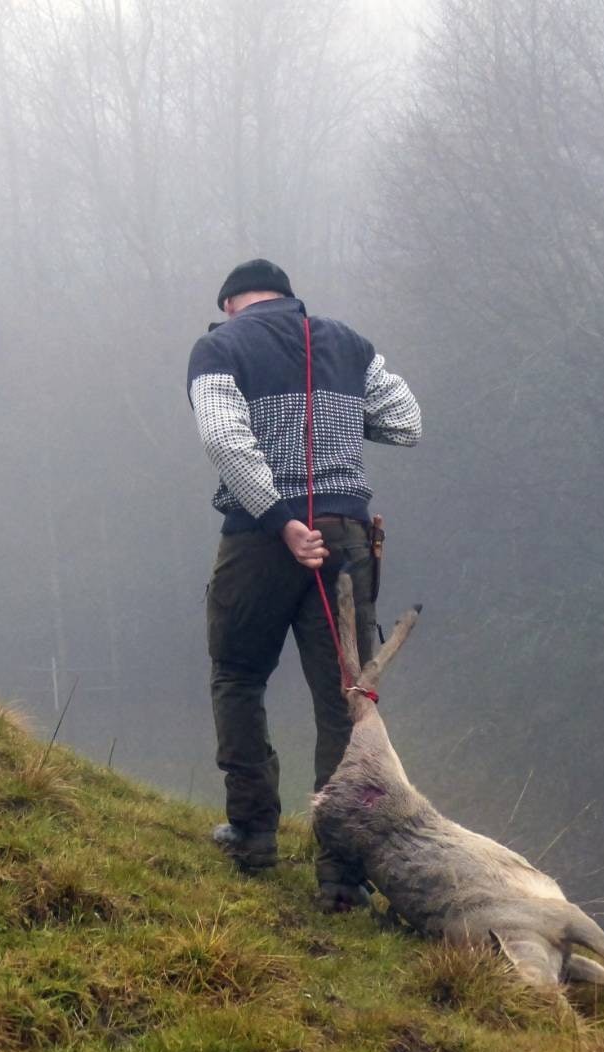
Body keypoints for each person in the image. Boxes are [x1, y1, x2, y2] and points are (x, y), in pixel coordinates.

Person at [187, 258, 421, 910]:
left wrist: (282, 520)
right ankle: (341, 876)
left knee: (237, 674)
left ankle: (253, 832)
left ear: (232, 302)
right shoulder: (350, 343)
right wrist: (343, 426)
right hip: (346, 540)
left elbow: (224, 439)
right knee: (343, 702)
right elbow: (406, 420)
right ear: (287, 297)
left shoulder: (218, 346)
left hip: (260, 540)